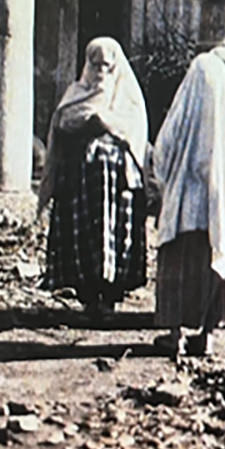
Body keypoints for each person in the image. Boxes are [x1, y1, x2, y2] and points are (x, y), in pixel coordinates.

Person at [153, 51, 225, 357]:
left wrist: (166, 177)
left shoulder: (186, 103)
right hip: (223, 208)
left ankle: (175, 334)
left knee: (179, 265)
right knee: (218, 263)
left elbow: (163, 148)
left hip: (186, 204)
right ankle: (208, 335)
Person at [38, 37, 149, 316]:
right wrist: (88, 120)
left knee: (114, 235)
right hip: (81, 183)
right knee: (84, 236)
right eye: (95, 65)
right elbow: (62, 121)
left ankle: (110, 296)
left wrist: (105, 122)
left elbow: (133, 128)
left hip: (116, 183)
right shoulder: (77, 92)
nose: (100, 72)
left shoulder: (127, 96)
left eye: (106, 67)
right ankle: (88, 296)